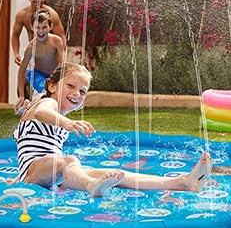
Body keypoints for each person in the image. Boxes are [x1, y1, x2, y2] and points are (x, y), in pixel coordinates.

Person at [14, 63, 212, 196]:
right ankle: (90, 186)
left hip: (46, 173)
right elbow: (41, 112)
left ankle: (183, 182)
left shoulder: (57, 113)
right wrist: (67, 124)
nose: (76, 93)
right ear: (53, 86)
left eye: (82, 91)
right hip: (38, 172)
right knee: (71, 160)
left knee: (114, 175)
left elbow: (34, 150)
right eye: (71, 86)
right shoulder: (48, 103)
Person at [16, 11, 65, 114]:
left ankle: (30, 105)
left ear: (51, 27)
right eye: (37, 27)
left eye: (44, 27)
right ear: (31, 27)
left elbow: (63, 63)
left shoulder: (57, 41)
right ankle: (28, 105)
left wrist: (61, 80)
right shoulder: (31, 47)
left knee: (53, 96)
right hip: (37, 75)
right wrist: (21, 95)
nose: (40, 31)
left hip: (53, 75)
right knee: (45, 92)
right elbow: (21, 71)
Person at [11, 0, 66, 67]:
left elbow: (61, 36)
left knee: (49, 79)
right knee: (27, 77)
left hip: (49, 54)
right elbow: (15, 36)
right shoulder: (22, 15)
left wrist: (61, 57)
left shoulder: (52, 14)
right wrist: (16, 54)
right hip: (33, 52)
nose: (37, 0)